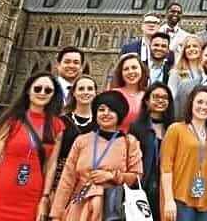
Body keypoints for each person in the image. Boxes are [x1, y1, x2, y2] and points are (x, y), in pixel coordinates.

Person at [0, 72, 66, 221]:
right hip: (2, 189)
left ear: (53, 95)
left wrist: (44, 198)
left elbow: (51, 165)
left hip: (32, 193)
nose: (42, 93)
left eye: (48, 90)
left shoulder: (57, 125)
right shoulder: (11, 120)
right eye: (37, 88)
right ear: (28, 90)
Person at [50, 91, 143, 221]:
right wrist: (56, 215)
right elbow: (67, 179)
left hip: (112, 210)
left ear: (119, 114)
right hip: (79, 208)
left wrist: (112, 176)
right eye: (101, 109)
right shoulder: (82, 140)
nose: (105, 113)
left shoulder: (129, 142)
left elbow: (136, 177)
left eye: (111, 110)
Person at [161, 86, 207, 221]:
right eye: (199, 102)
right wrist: (169, 199)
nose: (203, 107)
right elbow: (166, 167)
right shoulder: (176, 129)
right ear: (191, 104)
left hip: (206, 201)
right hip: (180, 198)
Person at [130, 83, 175, 221]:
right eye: (156, 97)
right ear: (147, 101)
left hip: (168, 186)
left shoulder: (174, 127)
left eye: (164, 97)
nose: (160, 100)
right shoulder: (137, 127)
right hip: (144, 185)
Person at [56, 75, 98, 187]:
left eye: (90, 89)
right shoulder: (61, 121)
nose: (86, 92)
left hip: (87, 181)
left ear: (95, 93)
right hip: (60, 178)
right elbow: (53, 158)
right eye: (81, 89)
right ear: (73, 93)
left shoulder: (101, 124)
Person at [110, 53, 149, 133]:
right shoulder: (113, 95)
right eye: (126, 69)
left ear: (141, 70)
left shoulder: (148, 96)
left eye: (134, 68)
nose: (131, 72)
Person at [168, 35, 206, 107]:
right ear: (184, 51)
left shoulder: (206, 72)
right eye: (188, 47)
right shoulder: (176, 72)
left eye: (195, 46)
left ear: (201, 49)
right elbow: (171, 96)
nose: (191, 49)